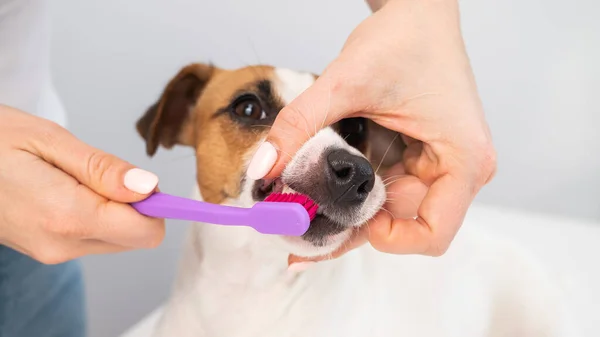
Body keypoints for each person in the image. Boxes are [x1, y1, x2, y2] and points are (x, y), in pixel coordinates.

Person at [0, 0, 495, 336]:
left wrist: (427, 19)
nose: (337, 154)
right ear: (178, 124)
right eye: (251, 112)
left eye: (349, 132)